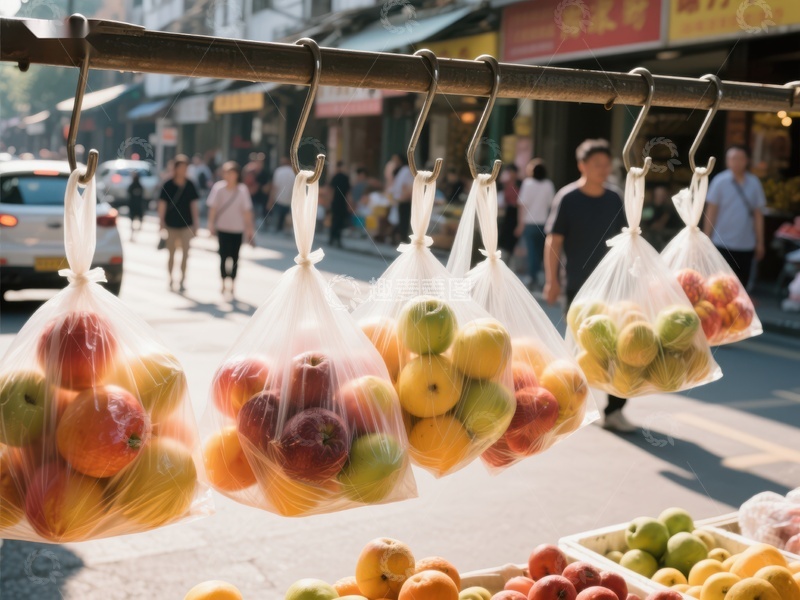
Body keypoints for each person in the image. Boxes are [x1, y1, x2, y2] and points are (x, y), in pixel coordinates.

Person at [543, 139, 632, 433]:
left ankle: (615, 410)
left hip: (613, 289)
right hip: (579, 287)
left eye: (606, 165)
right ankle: (573, 405)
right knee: (580, 350)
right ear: (582, 166)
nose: (603, 170)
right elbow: (553, 241)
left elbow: (626, 241)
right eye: (597, 165)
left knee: (620, 349)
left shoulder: (614, 198)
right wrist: (552, 280)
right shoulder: (568, 198)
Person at [704, 145, 766, 288]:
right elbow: (711, 212)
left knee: (741, 286)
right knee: (719, 286)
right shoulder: (719, 181)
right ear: (727, 161)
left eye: (739, 158)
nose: (736, 162)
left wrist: (760, 242)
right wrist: (706, 238)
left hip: (746, 243)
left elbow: (758, 215)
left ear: (747, 161)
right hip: (721, 242)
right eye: (732, 158)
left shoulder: (754, 183)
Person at [207, 161, 254, 299]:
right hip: (222, 228)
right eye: (227, 172)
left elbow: (247, 211)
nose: (229, 175)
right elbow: (213, 208)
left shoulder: (242, 190)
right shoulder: (218, 188)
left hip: (237, 229)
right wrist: (210, 225)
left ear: (237, 175)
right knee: (223, 256)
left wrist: (250, 229)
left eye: (232, 173)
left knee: (234, 258)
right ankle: (222, 283)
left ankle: (232, 284)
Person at [158, 154, 200, 292]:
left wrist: (196, 224)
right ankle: (171, 278)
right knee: (171, 253)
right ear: (175, 168)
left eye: (185, 167)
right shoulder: (168, 184)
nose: (183, 170)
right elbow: (162, 204)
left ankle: (182, 280)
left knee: (186, 254)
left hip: (186, 225)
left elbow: (194, 205)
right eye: (180, 167)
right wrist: (161, 222)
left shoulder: (190, 184)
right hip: (171, 224)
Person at [515, 159, 555, 289]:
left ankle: (532, 277)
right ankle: (539, 277)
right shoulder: (548, 185)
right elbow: (551, 205)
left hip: (529, 222)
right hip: (544, 223)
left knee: (531, 251)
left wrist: (520, 224)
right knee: (540, 252)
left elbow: (522, 205)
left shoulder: (528, 184)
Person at [499, 164, 522, 263]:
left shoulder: (520, 184)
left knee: (513, 238)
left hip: (516, 212)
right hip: (505, 212)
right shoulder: (503, 184)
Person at [328, 161, 352, 248]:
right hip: (339, 202)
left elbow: (331, 190)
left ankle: (334, 238)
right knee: (337, 221)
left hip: (338, 202)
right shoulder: (340, 177)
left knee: (337, 221)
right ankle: (334, 238)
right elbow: (332, 190)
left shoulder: (338, 177)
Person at [391, 158, 414, 243]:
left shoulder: (406, 171)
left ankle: (403, 238)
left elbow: (407, 187)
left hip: (405, 200)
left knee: (404, 222)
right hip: (401, 200)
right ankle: (401, 238)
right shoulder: (403, 171)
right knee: (402, 221)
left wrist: (404, 198)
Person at [270, 157, 296, 233]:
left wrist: (270, 201)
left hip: (278, 199)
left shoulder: (278, 171)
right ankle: (285, 230)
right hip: (289, 200)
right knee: (286, 217)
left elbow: (275, 187)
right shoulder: (294, 173)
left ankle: (277, 229)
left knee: (278, 218)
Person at [127, 170, 145, 241]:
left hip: (137, 206)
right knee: (133, 220)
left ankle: (136, 231)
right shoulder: (133, 186)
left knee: (137, 220)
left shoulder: (139, 186)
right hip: (134, 205)